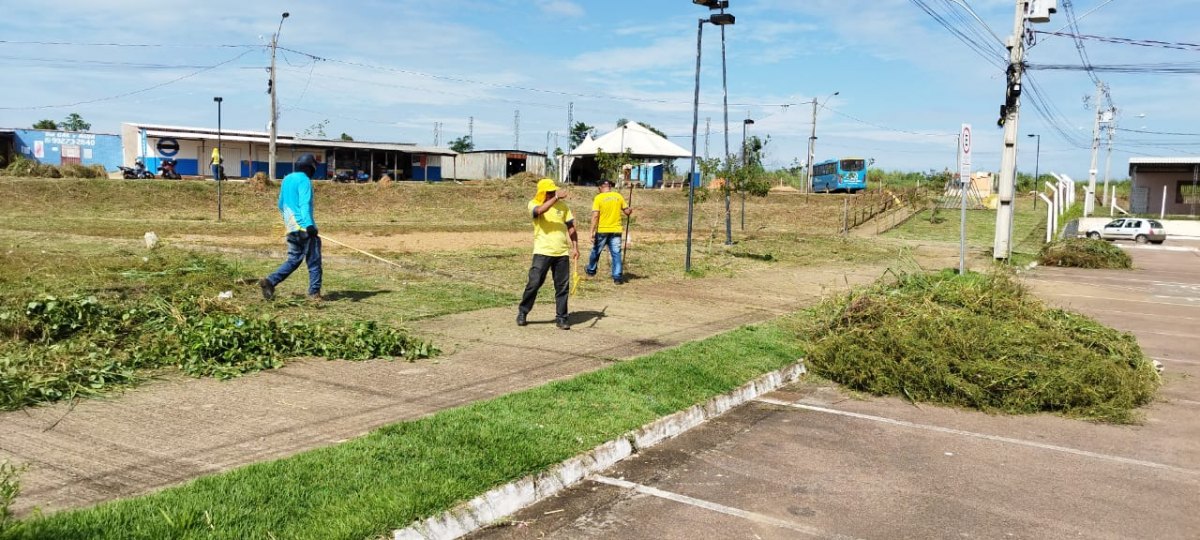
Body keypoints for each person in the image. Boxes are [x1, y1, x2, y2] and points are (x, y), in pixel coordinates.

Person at [518, 178, 579, 330]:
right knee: (534, 283)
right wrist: (556, 198)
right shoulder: (534, 204)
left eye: (554, 191)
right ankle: (523, 312)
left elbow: (571, 227)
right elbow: (539, 211)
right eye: (550, 192)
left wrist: (575, 247)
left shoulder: (563, 207)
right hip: (542, 252)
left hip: (561, 253)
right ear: (542, 192)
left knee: (562, 286)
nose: (553, 193)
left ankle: (562, 318)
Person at [260, 153, 322, 301]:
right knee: (314, 261)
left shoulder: (287, 179)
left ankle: (270, 281)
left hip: (291, 228)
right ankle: (314, 294)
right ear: (311, 168)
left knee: (293, 260)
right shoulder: (305, 180)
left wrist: (289, 223)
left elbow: (281, 204)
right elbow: (304, 204)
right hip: (304, 229)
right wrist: (308, 226)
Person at [586, 179, 632, 284]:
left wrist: (591, 231)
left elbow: (595, 215)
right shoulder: (618, 196)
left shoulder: (598, 198)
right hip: (616, 230)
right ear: (610, 187)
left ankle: (591, 270)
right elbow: (627, 212)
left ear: (600, 188)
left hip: (603, 230)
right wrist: (630, 210)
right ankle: (617, 278)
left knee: (596, 251)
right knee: (616, 254)